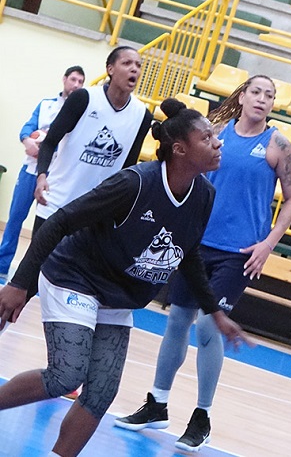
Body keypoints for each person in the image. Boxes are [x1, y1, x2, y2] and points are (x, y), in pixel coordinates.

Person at [0, 98, 250, 457]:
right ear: (180, 149)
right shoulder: (134, 183)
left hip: (119, 293)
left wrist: (214, 311)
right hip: (76, 277)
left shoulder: (204, 194)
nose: (218, 142)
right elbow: (60, 222)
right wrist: (19, 283)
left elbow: (188, 252)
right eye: (207, 137)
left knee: (102, 391)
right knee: (67, 375)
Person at [115, 75, 291, 451]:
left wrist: (268, 244)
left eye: (269, 95)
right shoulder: (214, 133)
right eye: (256, 92)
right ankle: (157, 403)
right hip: (196, 244)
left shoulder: (277, 144)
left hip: (240, 252)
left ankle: (202, 417)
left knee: (207, 325)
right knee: (177, 321)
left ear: (272, 104)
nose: (262, 99)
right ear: (242, 97)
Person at [33, 46, 152, 232]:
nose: (134, 69)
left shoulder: (142, 115)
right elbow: (49, 142)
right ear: (110, 69)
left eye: (138, 65)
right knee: (39, 252)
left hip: (95, 212)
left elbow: (129, 166)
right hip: (56, 202)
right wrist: (41, 176)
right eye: (127, 63)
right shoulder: (83, 98)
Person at [0, 65, 85, 284]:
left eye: (80, 82)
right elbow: (27, 128)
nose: (76, 85)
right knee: (15, 219)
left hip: (54, 176)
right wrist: (28, 141)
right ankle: (2, 267)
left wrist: (48, 147)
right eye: (73, 80)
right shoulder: (46, 104)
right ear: (64, 79)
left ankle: (35, 277)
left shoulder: (80, 112)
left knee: (45, 228)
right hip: (30, 171)